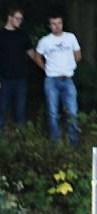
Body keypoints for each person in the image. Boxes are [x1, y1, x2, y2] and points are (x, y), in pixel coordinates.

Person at [34, 14, 81, 145]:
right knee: (53, 112)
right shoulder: (45, 41)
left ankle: (73, 144)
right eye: (54, 24)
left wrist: (70, 65)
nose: (57, 26)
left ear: (62, 23)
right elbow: (37, 56)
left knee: (72, 112)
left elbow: (78, 54)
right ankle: (55, 144)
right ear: (50, 26)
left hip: (68, 79)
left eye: (59, 23)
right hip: (52, 80)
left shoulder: (70, 37)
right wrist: (46, 69)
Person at [0, 7, 34, 130]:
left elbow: (33, 54)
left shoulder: (23, 35)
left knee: (20, 111)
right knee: (1, 111)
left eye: (21, 19)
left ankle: (21, 139)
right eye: (17, 18)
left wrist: (49, 65)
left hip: (21, 80)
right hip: (4, 79)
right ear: (10, 18)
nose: (19, 21)